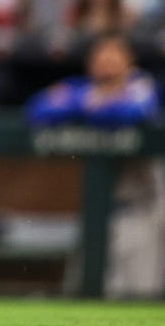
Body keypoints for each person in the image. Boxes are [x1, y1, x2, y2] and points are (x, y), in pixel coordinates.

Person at [25, 33, 164, 299]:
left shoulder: (141, 86)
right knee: (83, 291)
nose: (107, 62)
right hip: (96, 211)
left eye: (115, 55)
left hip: (142, 211)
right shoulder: (79, 87)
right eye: (101, 56)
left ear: (129, 61)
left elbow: (130, 113)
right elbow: (37, 111)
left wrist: (83, 105)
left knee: (140, 295)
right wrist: (91, 101)